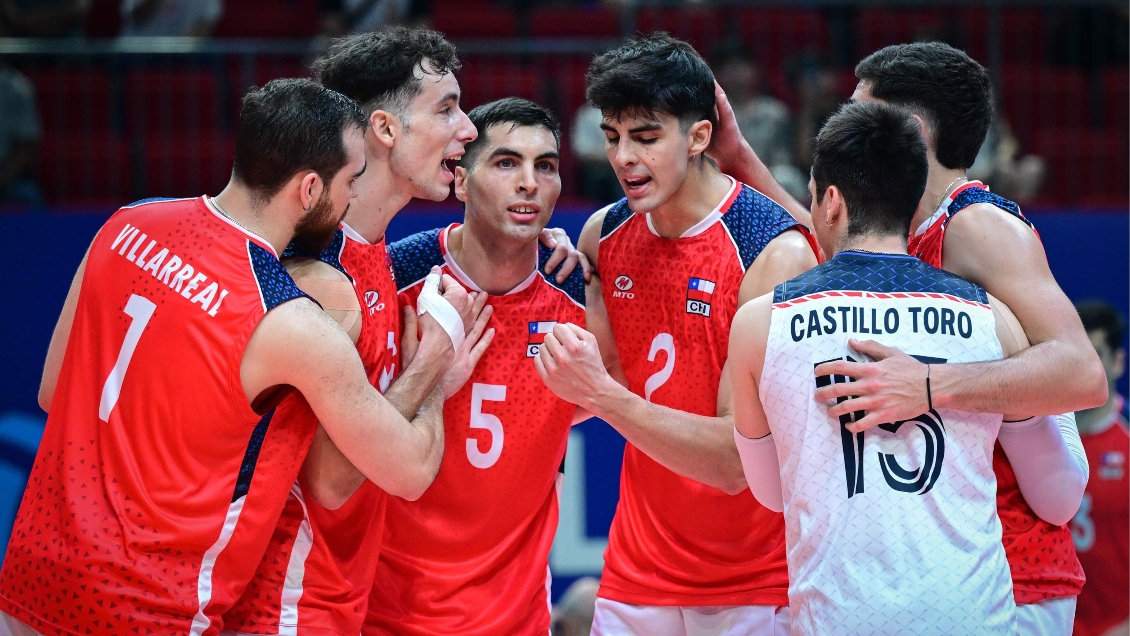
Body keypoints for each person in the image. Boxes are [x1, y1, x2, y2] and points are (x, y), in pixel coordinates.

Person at [0, 78, 472, 636]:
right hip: (146, 609)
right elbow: (409, 471)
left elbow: (54, 390)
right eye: (350, 182)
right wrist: (435, 361)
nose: (351, 200)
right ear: (310, 189)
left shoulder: (127, 223)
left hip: (30, 580)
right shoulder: (289, 320)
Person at [709, 41, 1105, 635]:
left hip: (1012, 567)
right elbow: (834, 232)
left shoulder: (976, 225)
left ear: (911, 130)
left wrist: (927, 384)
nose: (847, 123)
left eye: (859, 109)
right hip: (950, 550)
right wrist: (741, 159)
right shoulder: (910, 227)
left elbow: (1081, 372)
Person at [221, 28, 585, 636]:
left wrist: (528, 242)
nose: (465, 129)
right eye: (447, 109)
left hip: (339, 602)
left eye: (543, 167)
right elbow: (333, 483)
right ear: (386, 130)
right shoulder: (321, 276)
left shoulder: (375, 259)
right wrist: (433, 369)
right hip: (288, 603)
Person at [536, 33, 818, 635]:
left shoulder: (772, 253)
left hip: (757, 579)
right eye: (612, 136)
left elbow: (734, 461)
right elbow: (591, 383)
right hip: (637, 573)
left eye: (645, 137)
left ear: (698, 136)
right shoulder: (603, 235)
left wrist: (601, 395)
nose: (623, 158)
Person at [729, 99, 1031, 634]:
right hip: (972, 615)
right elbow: (1058, 487)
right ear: (910, 200)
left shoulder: (759, 322)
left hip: (837, 618)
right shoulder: (993, 318)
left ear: (830, 201)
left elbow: (769, 492)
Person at [365, 97, 587, 636]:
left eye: (546, 166)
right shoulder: (396, 275)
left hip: (517, 619)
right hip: (382, 613)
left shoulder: (578, 291)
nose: (529, 183)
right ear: (461, 182)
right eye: (507, 163)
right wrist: (429, 382)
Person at [1072, 301, 1129, 636]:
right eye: (1077, 355)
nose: (1085, 368)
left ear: (1118, 362)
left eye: (1096, 355)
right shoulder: (1035, 435)